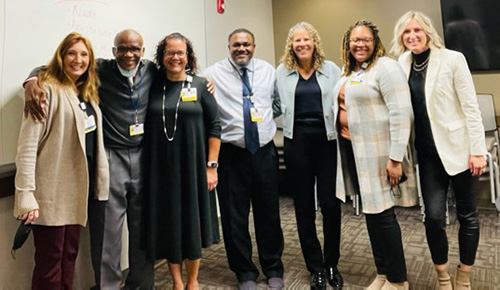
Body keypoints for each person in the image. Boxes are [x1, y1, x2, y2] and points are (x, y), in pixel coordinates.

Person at [23, 29, 156, 289]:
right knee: (107, 232)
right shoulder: (100, 69)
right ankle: (108, 286)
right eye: (123, 48)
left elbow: (179, 70)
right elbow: (55, 64)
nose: (129, 54)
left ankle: (141, 284)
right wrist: (31, 79)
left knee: (144, 228)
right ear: (114, 51)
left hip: (144, 156)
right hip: (111, 156)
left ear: (143, 50)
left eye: (135, 49)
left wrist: (205, 82)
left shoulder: (152, 70)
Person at [391, 11, 487, 290]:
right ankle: (443, 276)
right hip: (428, 156)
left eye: (417, 30)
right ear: (401, 37)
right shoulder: (401, 64)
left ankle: (464, 276)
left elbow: (471, 107)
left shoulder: (452, 59)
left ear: (428, 32)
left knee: (468, 216)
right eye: (406, 32)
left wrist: (478, 150)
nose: (412, 36)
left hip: (460, 151)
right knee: (433, 218)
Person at [14, 32, 109, 289]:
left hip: (76, 192)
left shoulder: (85, 93)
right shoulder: (45, 89)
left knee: (68, 257)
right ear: (61, 56)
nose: (78, 60)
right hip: (50, 193)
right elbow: (27, 146)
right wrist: (25, 194)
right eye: (71, 53)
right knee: (49, 264)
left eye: (84, 54)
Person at [334, 20, 418, 290]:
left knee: (383, 217)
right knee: (371, 215)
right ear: (348, 43)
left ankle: (398, 280)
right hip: (358, 156)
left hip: (381, 156)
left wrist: (395, 159)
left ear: (375, 41)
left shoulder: (385, 67)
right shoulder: (352, 71)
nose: (360, 44)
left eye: (365, 39)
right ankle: (382, 273)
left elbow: (402, 112)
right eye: (355, 40)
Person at [204, 28, 285, 290]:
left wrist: (261, 124)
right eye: (236, 45)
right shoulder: (212, 73)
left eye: (246, 44)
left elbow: (276, 104)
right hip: (231, 154)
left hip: (263, 151)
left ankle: (273, 267)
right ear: (229, 46)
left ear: (254, 45)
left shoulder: (268, 71)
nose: (242, 49)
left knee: (269, 213)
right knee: (233, 216)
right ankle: (244, 272)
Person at [143, 32, 221, 290]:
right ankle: (177, 282)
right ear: (162, 56)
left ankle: (193, 281)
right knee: (170, 224)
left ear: (188, 57)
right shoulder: (153, 86)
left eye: (180, 53)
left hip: (194, 167)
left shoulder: (200, 85)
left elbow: (215, 127)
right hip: (161, 170)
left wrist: (212, 167)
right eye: (170, 53)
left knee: (192, 222)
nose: (175, 57)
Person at [274, 22, 342, 290]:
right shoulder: (282, 71)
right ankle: (315, 268)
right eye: (296, 40)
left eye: (306, 39)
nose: (301, 44)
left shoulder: (331, 70)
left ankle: (332, 263)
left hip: (327, 142)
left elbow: (343, 101)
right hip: (296, 142)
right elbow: (274, 104)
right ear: (291, 44)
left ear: (314, 42)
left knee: (330, 205)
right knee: (303, 207)